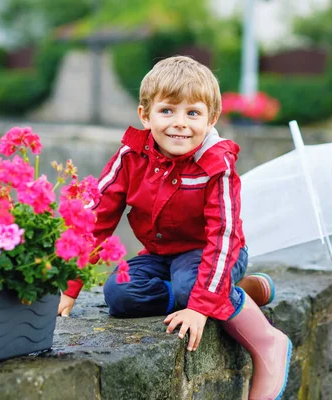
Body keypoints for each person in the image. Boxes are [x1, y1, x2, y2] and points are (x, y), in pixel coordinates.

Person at [58, 56, 292, 399]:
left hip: (219, 252)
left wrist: (198, 307)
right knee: (119, 294)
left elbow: (223, 236)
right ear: (145, 115)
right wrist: (69, 283)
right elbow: (97, 216)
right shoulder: (131, 156)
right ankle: (235, 291)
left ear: (211, 119)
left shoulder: (217, 166)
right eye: (167, 111)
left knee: (190, 289)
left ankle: (268, 342)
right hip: (162, 255)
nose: (179, 124)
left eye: (192, 113)